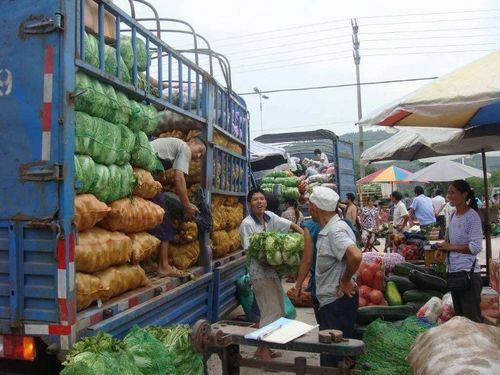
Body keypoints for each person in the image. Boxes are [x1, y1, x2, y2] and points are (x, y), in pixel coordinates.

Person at [240, 188, 303, 360]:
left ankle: (267, 346)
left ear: (266, 202)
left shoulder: (270, 216)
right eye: (255, 199)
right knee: (270, 310)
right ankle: (262, 350)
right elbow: (251, 251)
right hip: (259, 273)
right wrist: (276, 261)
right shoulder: (247, 224)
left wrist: (305, 237)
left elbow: (290, 225)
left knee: (279, 310)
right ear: (249, 204)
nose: (259, 202)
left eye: (261, 198)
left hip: (272, 272)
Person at [309, 186, 362, 367]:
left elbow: (355, 255)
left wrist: (346, 280)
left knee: (331, 359)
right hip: (333, 303)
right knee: (337, 355)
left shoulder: (335, 231)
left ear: (315, 208)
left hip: (337, 303)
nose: (309, 210)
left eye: (310, 206)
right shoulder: (331, 228)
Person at [149, 136, 206, 277]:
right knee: (163, 215)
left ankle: (147, 262)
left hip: (144, 172)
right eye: (199, 150)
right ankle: (164, 266)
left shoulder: (175, 145)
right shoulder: (184, 148)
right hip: (144, 172)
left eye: (201, 155)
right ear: (192, 142)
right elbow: (178, 178)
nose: (198, 156)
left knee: (150, 217)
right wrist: (186, 206)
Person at [436, 180, 483, 323]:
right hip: (454, 273)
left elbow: (475, 247)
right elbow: (451, 242)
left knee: (472, 321)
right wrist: (443, 248)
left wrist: (451, 247)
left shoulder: (472, 216)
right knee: (460, 320)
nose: (449, 196)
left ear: (464, 195)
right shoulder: (452, 215)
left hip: (468, 274)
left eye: (452, 192)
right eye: (448, 192)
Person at [294, 219, 322, 323]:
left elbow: (307, 260)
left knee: (324, 325)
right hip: (337, 287)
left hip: (321, 286)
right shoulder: (344, 224)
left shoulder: (310, 227)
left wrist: (298, 286)